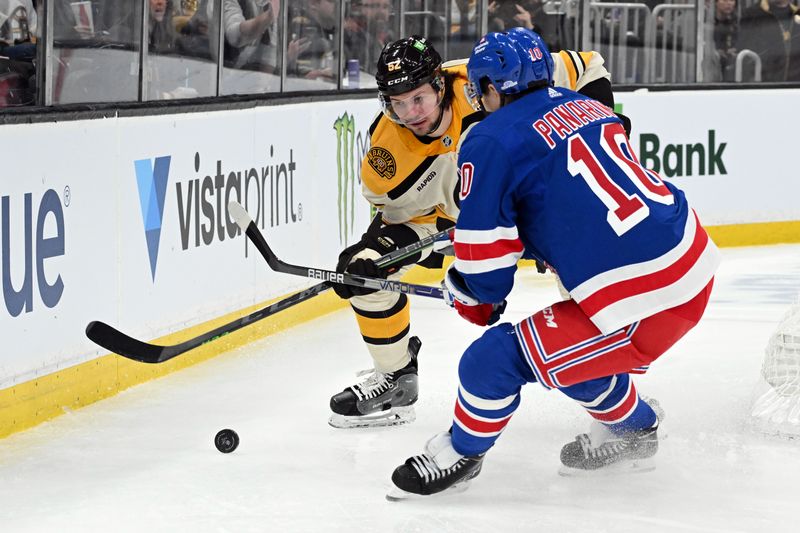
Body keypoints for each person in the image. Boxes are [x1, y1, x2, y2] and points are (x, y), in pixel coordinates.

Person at [386, 29, 720, 499]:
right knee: (569, 362)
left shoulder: (488, 139)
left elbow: (486, 280)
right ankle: (637, 430)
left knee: (491, 361)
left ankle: (460, 453)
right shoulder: (588, 106)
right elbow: (570, 201)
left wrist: (468, 289)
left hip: (642, 299)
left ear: (491, 88)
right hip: (687, 258)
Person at [328, 30, 629, 430]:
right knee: (366, 271)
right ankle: (396, 380)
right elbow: (404, 221)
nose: (411, 113)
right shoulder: (386, 157)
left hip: (532, 206)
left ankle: (618, 403)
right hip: (461, 219)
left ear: (440, 84)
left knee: (582, 284)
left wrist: (600, 123)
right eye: (397, 104)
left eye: (418, 98)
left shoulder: (489, 79)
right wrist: (370, 260)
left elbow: (587, 65)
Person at [738, 0, 800, 82]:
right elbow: (747, 51)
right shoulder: (753, 14)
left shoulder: (797, 14)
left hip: (794, 85)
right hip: (764, 84)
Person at [713, 0, 738, 81]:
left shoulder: (736, 22)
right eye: (724, 0)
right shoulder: (707, 21)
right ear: (716, 2)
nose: (729, 3)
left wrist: (736, 48)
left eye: (731, 0)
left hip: (731, 65)